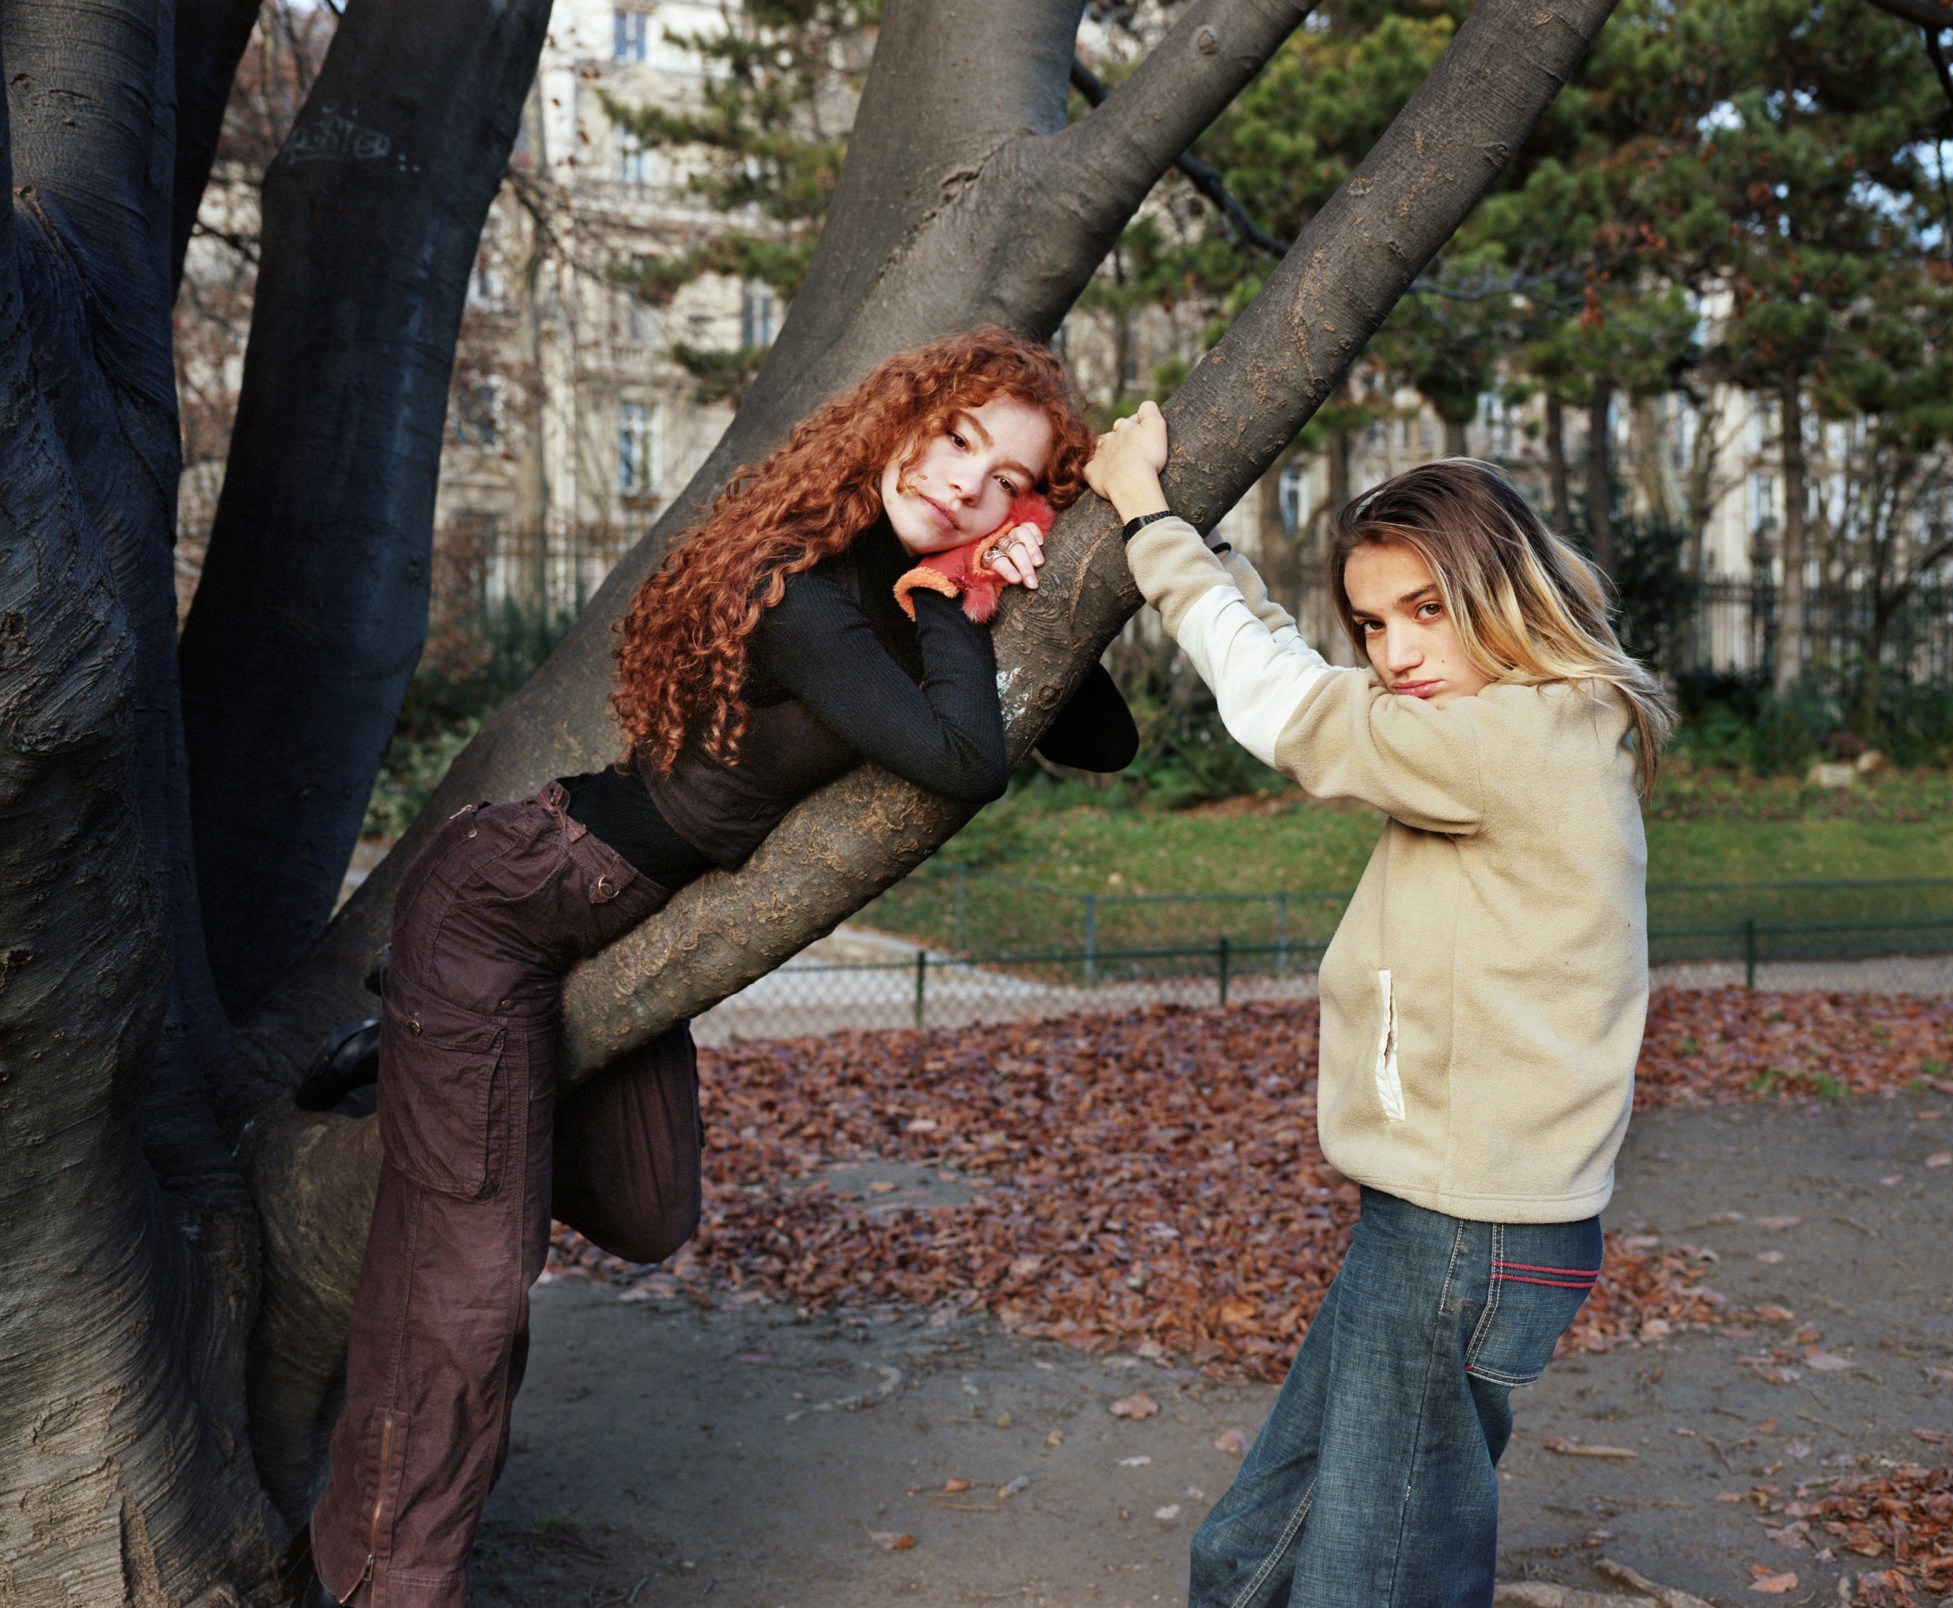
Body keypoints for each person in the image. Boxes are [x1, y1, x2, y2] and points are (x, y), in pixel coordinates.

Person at [301, 329, 1136, 1608]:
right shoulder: (803, 592)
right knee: (465, 1303)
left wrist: (1009, 578)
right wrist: (969, 598)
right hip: (508, 905)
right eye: (959, 438)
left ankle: (417, 1057)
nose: (968, 483)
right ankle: (382, 1587)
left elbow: (1103, 735)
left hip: (616, 936)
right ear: (903, 424)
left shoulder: (893, 578)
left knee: (649, 1208)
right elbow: (965, 764)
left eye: (1008, 480)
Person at [1087, 405, 1671, 1608]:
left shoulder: (1515, 736)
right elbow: (1299, 679)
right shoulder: (1524, 723)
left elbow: (1288, 715)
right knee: (1256, 1551)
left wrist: (1151, 529)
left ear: (1503, 596)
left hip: (1468, 1227)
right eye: (1368, 622)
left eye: (1425, 611)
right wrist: (1214, 555)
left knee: (1375, 1574)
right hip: (1435, 1215)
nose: (1394, 652)